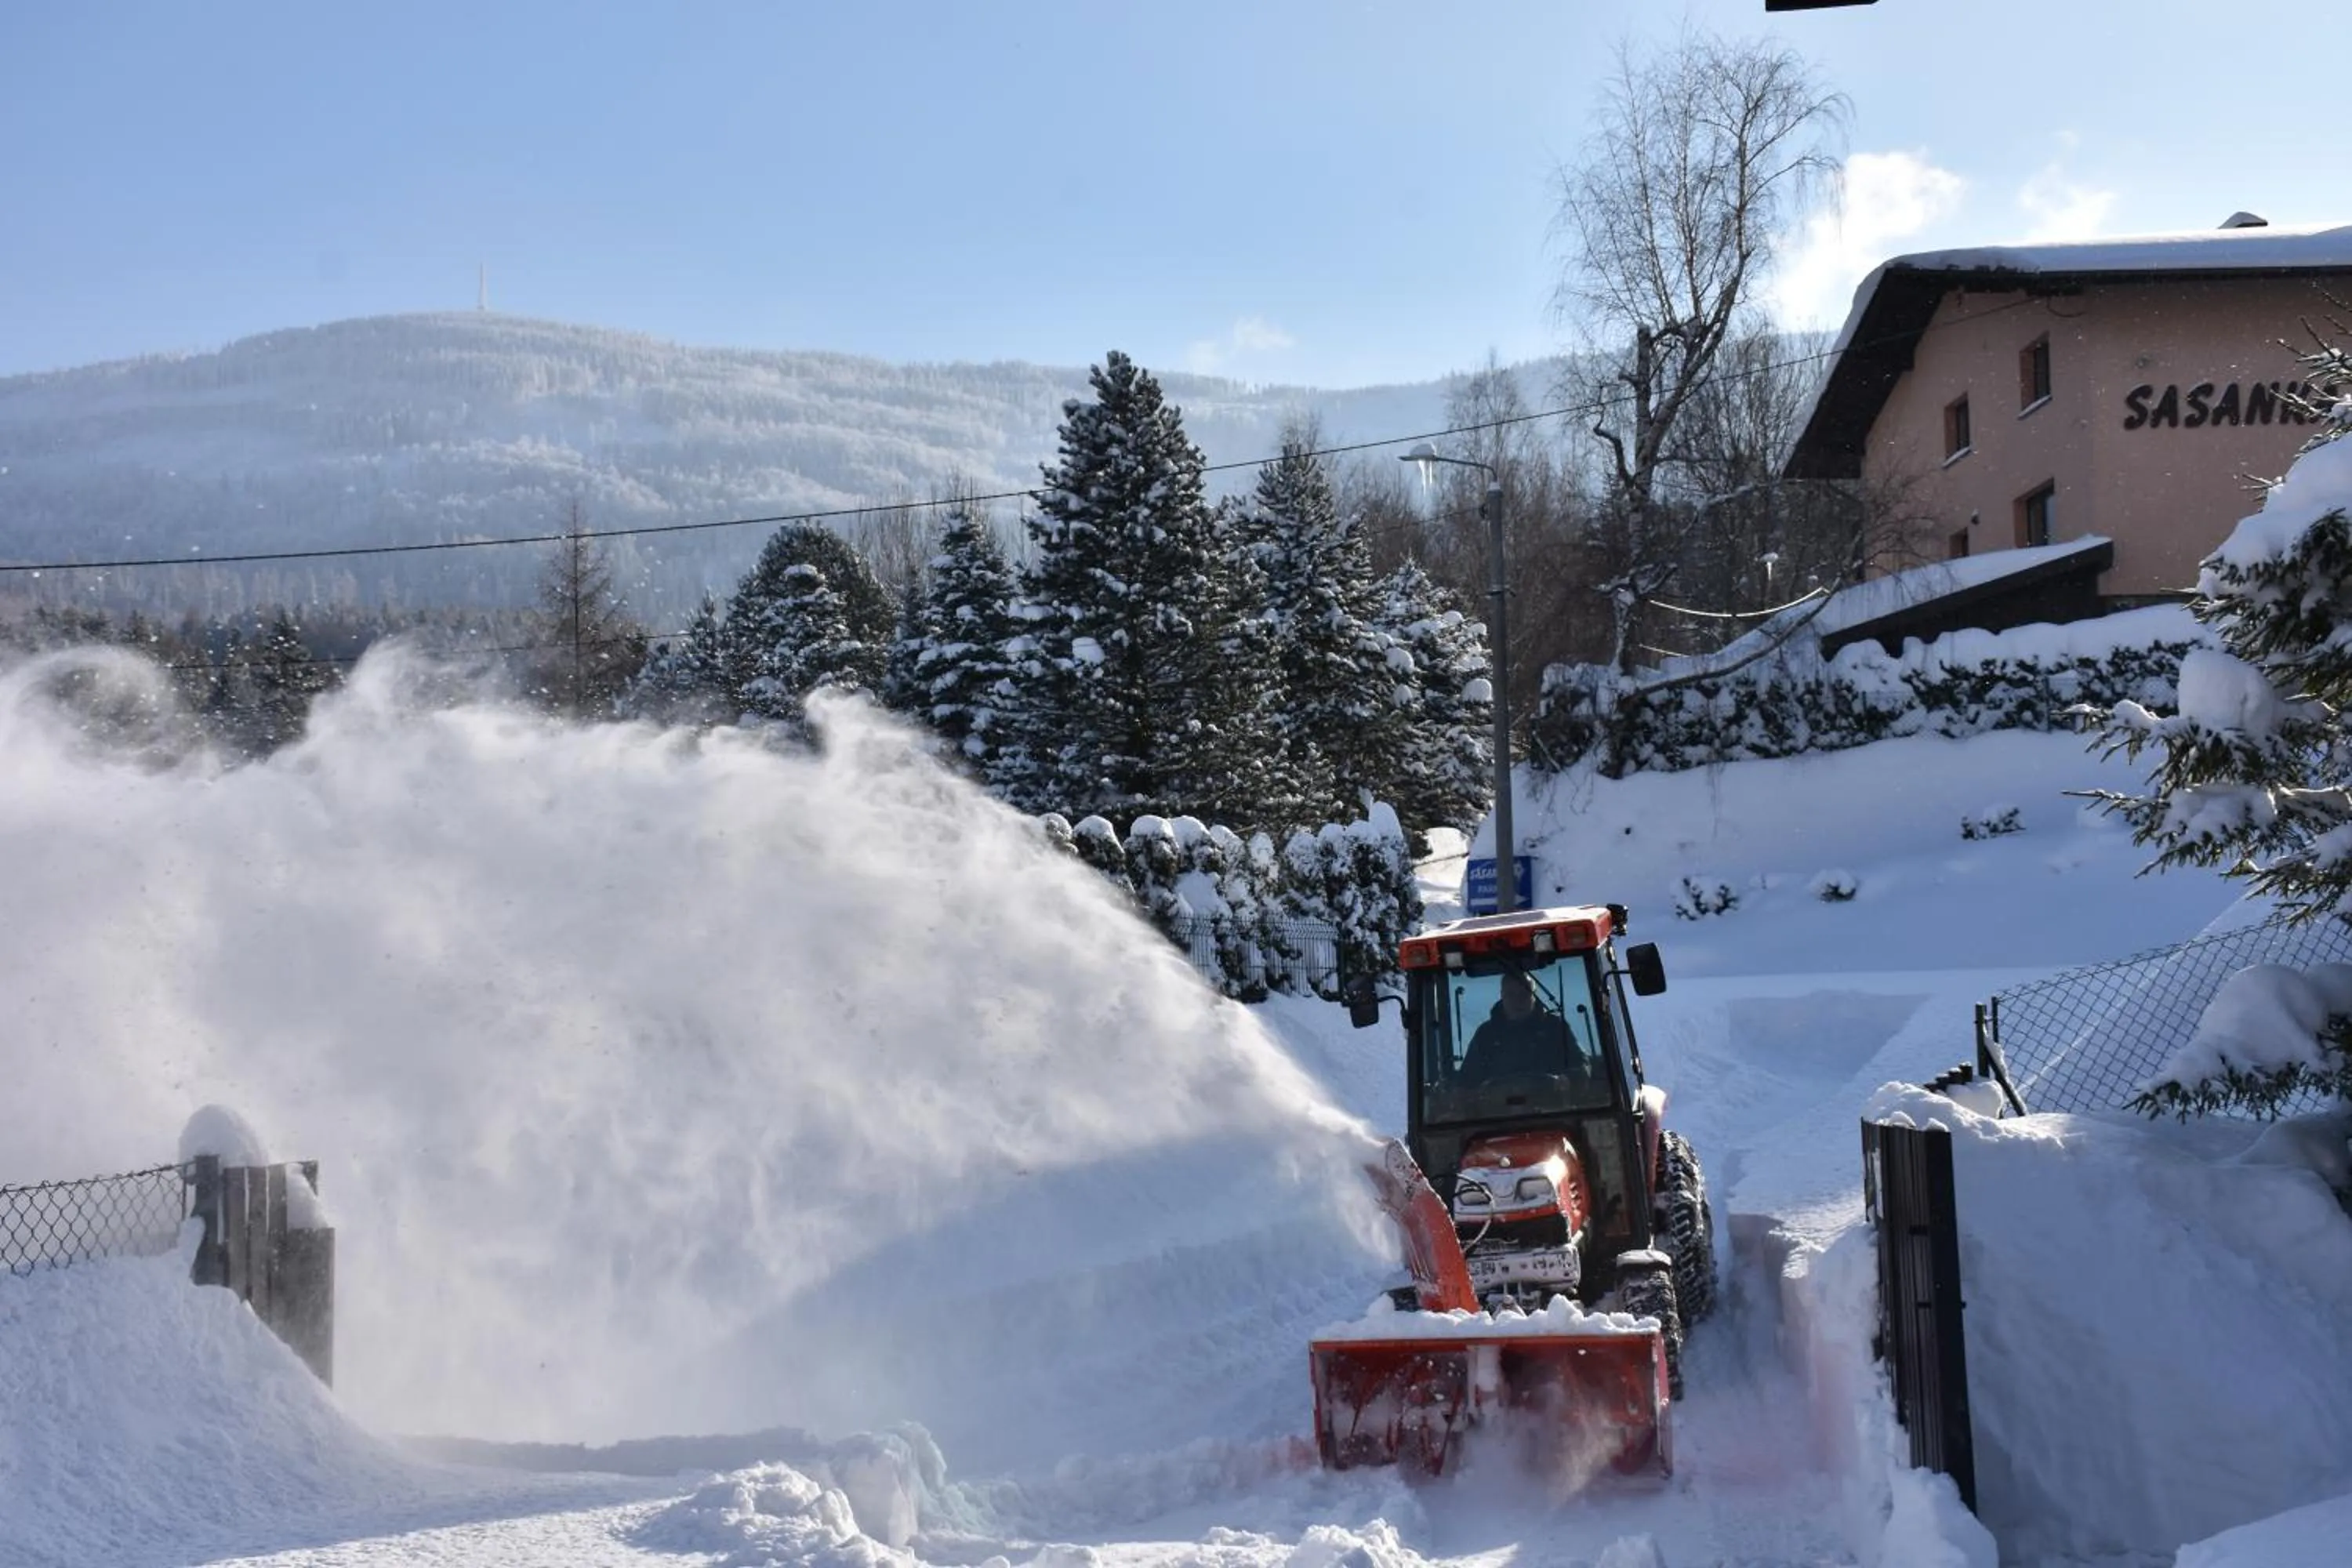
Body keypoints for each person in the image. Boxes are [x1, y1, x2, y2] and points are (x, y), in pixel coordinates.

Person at [1459, 969, 1573, 1085]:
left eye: (1524, 994)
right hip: (1496, 1103)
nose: (1518, 1001)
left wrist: (1567, 1081)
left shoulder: (1555, 1028)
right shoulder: (1485, 1035)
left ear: (1534, 996)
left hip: (1552, 1102)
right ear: (1502, 996)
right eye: (1511, 994)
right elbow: (1466, 1081)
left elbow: (1581, 1066)